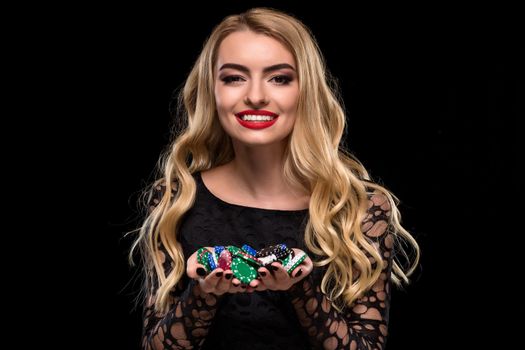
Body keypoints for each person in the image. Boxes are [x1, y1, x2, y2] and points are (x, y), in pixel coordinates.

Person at [130, 7, 419, 350]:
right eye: (234, 77)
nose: (255, 96)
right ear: (213, 90)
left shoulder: (362, 207)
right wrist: (203, 294)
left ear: (305, 90)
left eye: (279, 78)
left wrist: (300, 287)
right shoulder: (175, 199)